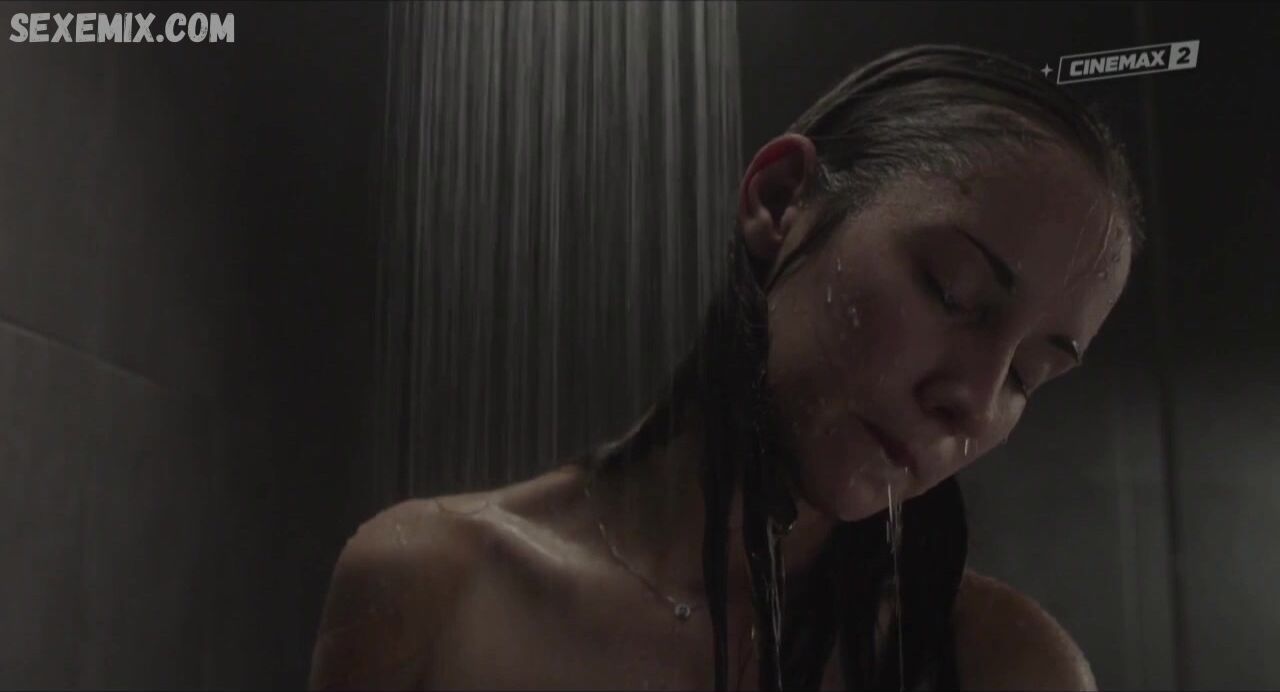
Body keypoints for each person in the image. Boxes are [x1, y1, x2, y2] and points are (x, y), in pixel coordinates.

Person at [309, 44, 1143, 691]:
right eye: (950, 290)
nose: (975, 400)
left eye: (1027, 377)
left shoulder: (1005, 668)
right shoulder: (434, 586)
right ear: (779, 201)